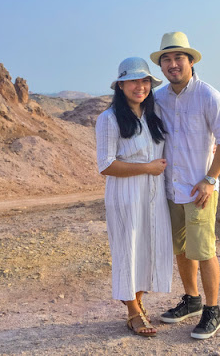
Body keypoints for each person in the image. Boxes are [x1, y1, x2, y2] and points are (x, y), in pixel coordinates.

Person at [150, 31, 220, 340]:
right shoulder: (158, 99)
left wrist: (211, 179)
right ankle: (192, 299)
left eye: (178, 58)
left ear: (190, 61)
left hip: (199, 190)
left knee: (204, 249)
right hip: (171, 189)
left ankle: (213, 310)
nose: (172, 64)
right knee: (182, 249)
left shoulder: (208, 96)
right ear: (161, 66)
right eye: (166, 60)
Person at [95, 57, 173, 338]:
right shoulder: (109, 119)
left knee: (146, 250)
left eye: (145, 81)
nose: (140, 87)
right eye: (133, 81)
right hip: (126, 196)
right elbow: (105, 165)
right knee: (128, 250)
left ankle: (138, 304)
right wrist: (147, 168)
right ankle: (133, 312)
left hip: (153, 197)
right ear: (121, 85)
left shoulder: (153, 116)